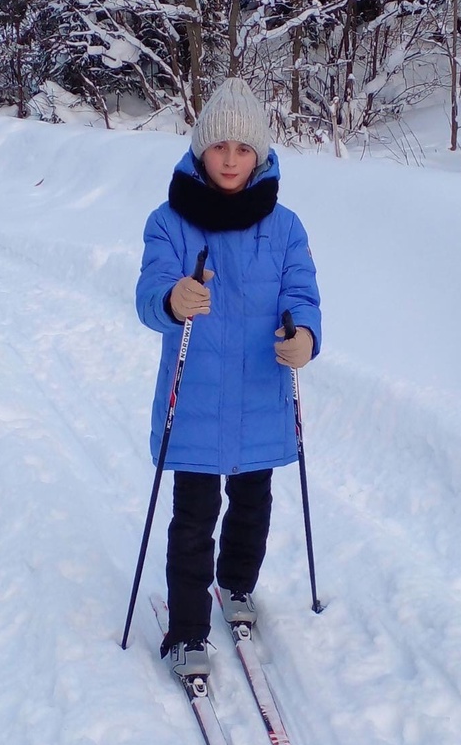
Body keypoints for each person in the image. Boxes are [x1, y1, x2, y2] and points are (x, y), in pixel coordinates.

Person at [135, 77, 322, 679]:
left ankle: (236, 584)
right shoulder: (169, 222)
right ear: (201, 149)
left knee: (252, 505)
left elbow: (302, 295)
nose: (232, 160)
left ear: (260, 154)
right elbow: (149, 294)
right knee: (193, 519)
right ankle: (188, 632)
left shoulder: (285, 227)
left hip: (261, 394)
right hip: (195, 400)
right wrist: (173, 298)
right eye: (220, 147)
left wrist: (304, 336)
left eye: (244, 148)